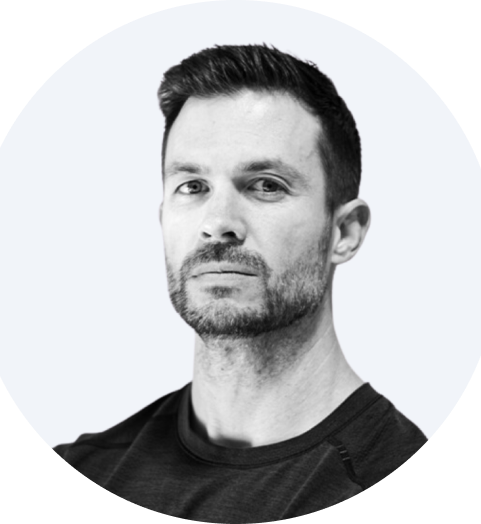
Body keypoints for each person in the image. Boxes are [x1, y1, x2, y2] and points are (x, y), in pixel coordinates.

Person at [53, 44, 427, 521]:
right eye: (193, 186)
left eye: (266, 185)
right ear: (164, 216)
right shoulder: (80, 474)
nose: (218, 224)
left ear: (344, 232)